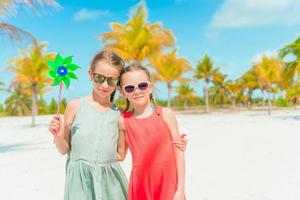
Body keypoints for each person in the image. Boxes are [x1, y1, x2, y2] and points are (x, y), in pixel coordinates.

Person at [48, 50, 187, 200]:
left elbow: (124, 152)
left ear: (118, 84)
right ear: (90, 74)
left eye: (112, 80)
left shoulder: (119, 115)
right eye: (99, 78)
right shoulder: (74, 106)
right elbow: (64, 149)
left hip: (110, 182)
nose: (105, 85)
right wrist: (59, 136)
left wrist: (174, 145)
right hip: (80, 182)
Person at [118, 63, 186, 200]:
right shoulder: (123, 121)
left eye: (142, 85)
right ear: (123, 92)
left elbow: (179, 154)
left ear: (150, 87)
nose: (137, 91)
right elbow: (120, 155)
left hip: (168, 185)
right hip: (140, 187)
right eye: (130, 88)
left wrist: (180, 190)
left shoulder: (166, 114)